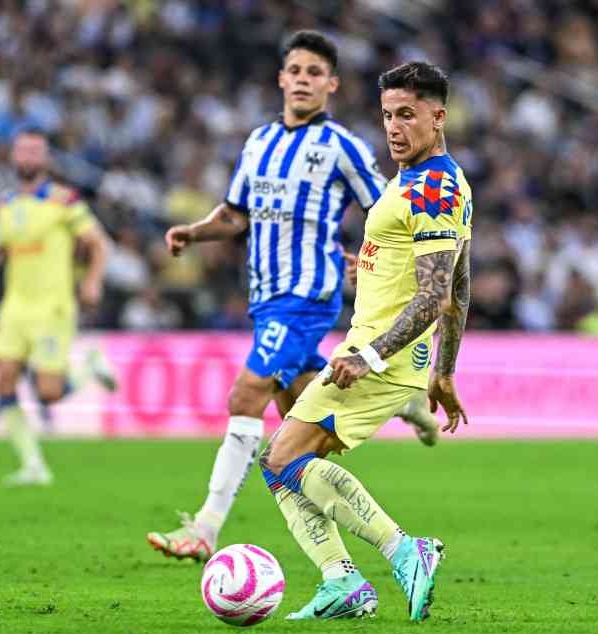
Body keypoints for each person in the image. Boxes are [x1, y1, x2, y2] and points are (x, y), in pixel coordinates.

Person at [146, 31, 439, 561]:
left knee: (245, 397)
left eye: (314, 73)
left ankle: (206, 528)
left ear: (331, 84)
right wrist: (195, 231)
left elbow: (387, 209)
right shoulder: (258, 142)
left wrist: (373, 259)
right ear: (282, 79)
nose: (303, 80)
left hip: (307, 294)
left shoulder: (341, 147)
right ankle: (402, 404)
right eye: (295, 71)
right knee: (297, 431)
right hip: (265, 296)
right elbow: (235, 214)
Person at [258, 61, 472, 621]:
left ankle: (403, 550)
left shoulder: (432, 188)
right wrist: (444, 371)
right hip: (390, 354)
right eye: (387, 115)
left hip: (378, 356)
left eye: (407, 115)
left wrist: (368, 355)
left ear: (438, 116)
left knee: (280, 460)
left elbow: (435, 295)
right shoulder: (430, 182)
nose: (394, 127)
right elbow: (462, 282)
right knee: (290, 464)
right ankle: (342, 584)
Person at [0, 128, 116, 486]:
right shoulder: (6, 203)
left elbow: (98, 244)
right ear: (14, 157)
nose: (29, 157)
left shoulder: (64, 200)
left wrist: (93, 281)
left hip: (52, 306)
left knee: (48, 393)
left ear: (46, 158)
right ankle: (33, 464)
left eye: (36, 151)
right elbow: (3, 250)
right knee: (5, 380)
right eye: (23, 151)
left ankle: (91, 366)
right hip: (15, 306)